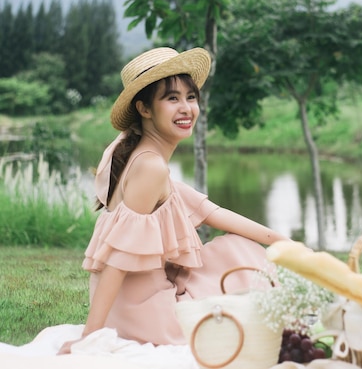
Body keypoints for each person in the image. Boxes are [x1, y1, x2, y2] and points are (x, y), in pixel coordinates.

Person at [58, 47, 289, 354]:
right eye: (171, 99)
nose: (186, 108)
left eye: (190, 97)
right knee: (242, 259)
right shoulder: (150, 166)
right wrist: (89, 336)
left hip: (133, 307)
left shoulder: (138, 154)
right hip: (149, 316)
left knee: (234, 246)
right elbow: (116, 259)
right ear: (144, 109)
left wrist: (289, 245)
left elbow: (213, 213)